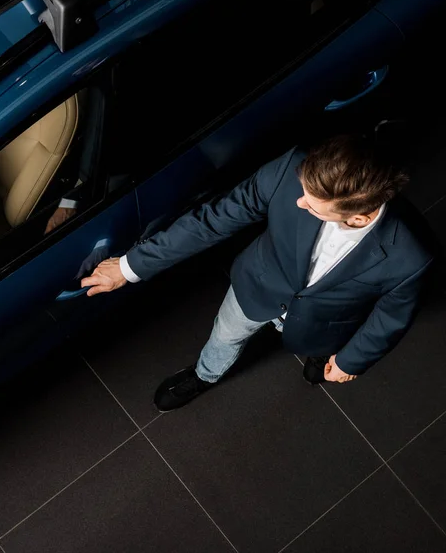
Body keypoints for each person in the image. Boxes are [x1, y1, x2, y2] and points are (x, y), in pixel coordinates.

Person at [81, 135, 436, 411]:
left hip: (327, 323)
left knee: (322, 349)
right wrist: (129, 267)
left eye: (312, 206)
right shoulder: (289, 172)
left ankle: (320, 357)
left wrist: (351, 360)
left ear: (357, 218)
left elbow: (392, 316)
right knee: (225, 335)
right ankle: (204, 374)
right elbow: (212, 221)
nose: (299, 202)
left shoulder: (411, 256)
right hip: (258, 287)